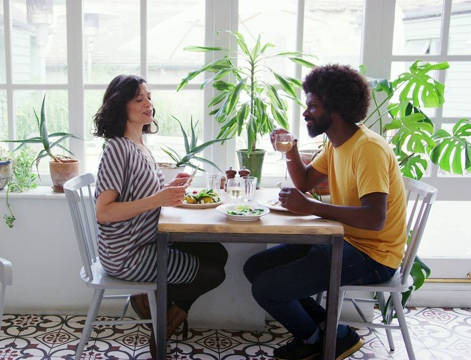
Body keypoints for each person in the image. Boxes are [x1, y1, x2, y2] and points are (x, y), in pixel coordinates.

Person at [243, 64, 407, 360]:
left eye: (313, 106)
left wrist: (311, 206)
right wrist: (291, 150)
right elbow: (305, 181)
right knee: (254, 268)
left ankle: (313, 340)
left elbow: (374, 218)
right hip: (340, 240)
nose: (306, 113)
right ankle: (335, 334)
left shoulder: (367, 148)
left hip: (373, 254)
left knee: (267, 288)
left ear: (337, 111)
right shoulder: (336, 144)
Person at [93, 74, 228, 355]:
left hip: (146, 242)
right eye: (139, 99)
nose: (148, 104)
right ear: (121, 106)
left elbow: (139, 195)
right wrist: (158, 198)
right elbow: (104, 212)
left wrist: (169, 189)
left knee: (217, 252)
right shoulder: (117, 148)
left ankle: (152, 305)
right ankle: (163, 324)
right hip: (127, 255)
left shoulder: (139, 145)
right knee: (213, 273)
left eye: (149, 97)